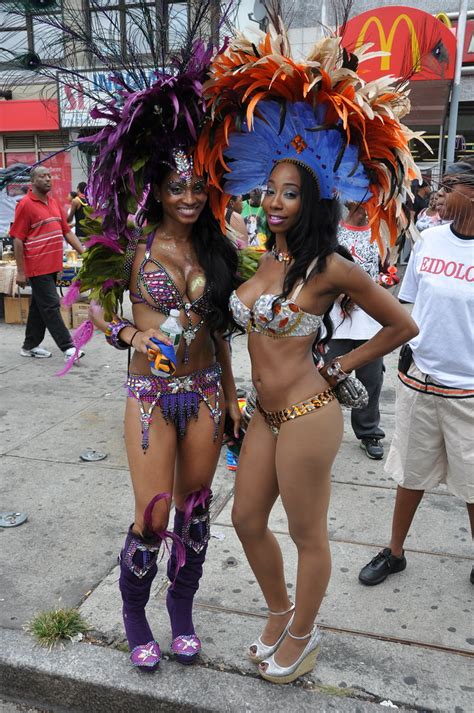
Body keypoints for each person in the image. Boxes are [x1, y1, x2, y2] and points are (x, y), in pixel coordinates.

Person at [198, 23, 420, 684]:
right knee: (243, 518)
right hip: (262, 414)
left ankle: (304, 630)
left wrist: (340, 365)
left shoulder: (331, 265)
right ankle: (278, 609)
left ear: (313, 199)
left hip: (308, 413)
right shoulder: (269, 255)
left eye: (289, 192)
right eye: (270, 190)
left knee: (307, 534)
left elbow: (401, 325)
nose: (274, 201)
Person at [67, 43, 241, 671]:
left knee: (194, 514)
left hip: (205, 392)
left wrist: (233, 397)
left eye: (197, 186)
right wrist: (131, 337)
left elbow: (220, 330)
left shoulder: (221, 251)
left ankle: (182, 611)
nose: (189, 197)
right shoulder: (129, 250)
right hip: (148, 397)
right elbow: (90, 312)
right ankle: (135, 613)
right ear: (159, 191)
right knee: (154, 514)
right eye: (177, 188)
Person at [358, 161, 474, 587]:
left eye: (450, 187)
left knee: (473, 485)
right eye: (439, 187)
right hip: (419, 380)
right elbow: (411, 307)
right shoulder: (430, 241)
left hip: (469, 390)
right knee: (411, 474)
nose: (438, 195)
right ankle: (394, 552)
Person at [326, 202, 385, 460]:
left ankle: (368, 432)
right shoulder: (331, 230)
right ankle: (323, 432)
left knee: (371, 379)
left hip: (370, 321)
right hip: (335, 321)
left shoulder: (381, 229)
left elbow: (385, 269)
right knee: (327, 380)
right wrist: (337, 293)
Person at [10, 166, 85, 361]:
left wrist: (85, 253)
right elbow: (18, 239)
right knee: (51, 305)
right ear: (33, 181)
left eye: (50, 175)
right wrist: (20, 271)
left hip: (53, 266)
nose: (48, 179)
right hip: (36, 266)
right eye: (43, 176)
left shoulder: (53, 202)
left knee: (39, 306)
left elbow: (67, 231)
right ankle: (68, 347)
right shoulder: (25, 204)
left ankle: (30, 346)